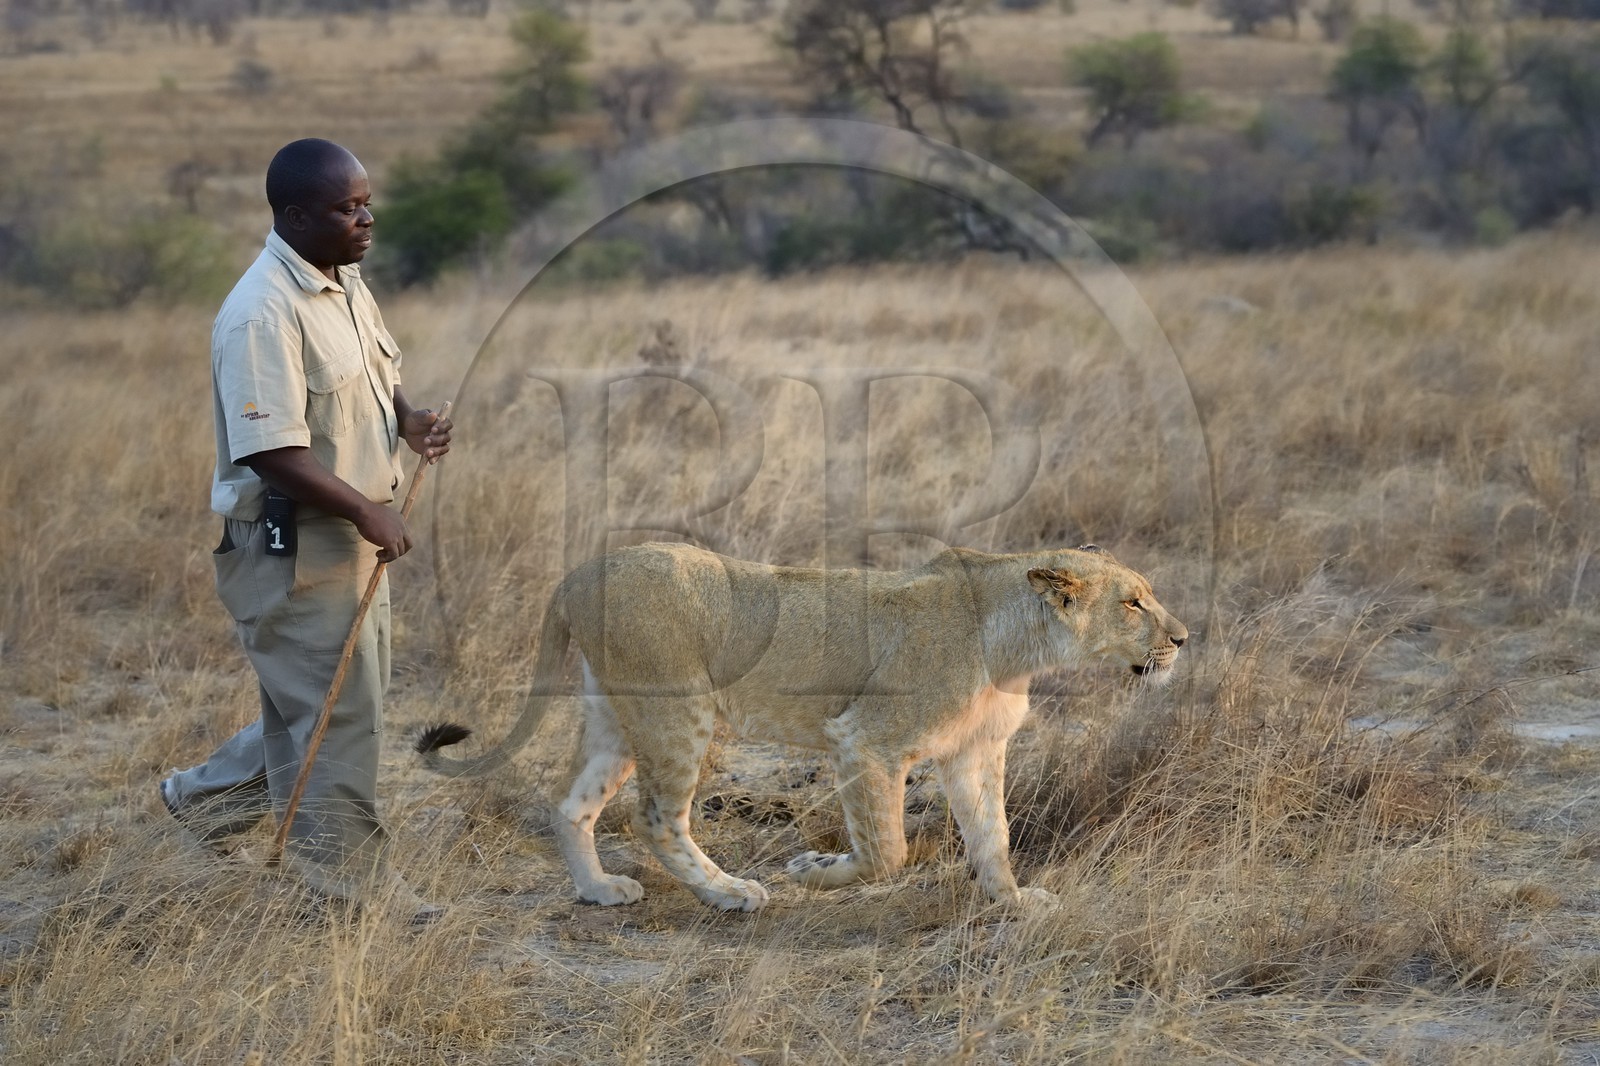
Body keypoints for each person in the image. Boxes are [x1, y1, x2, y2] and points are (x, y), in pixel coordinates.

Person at [161, 138, 453, 925]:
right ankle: (349, 894)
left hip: (354, 541)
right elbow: (271, 449)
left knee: (318, 703)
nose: (366, 219)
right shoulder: (261, 312)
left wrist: (409, 420)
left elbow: (375, 382)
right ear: (294, 216)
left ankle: (205, 804)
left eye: (365, 202)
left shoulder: (344, 281)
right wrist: (363, 507)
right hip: (295, 546)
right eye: (345, 208)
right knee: (341, 714)